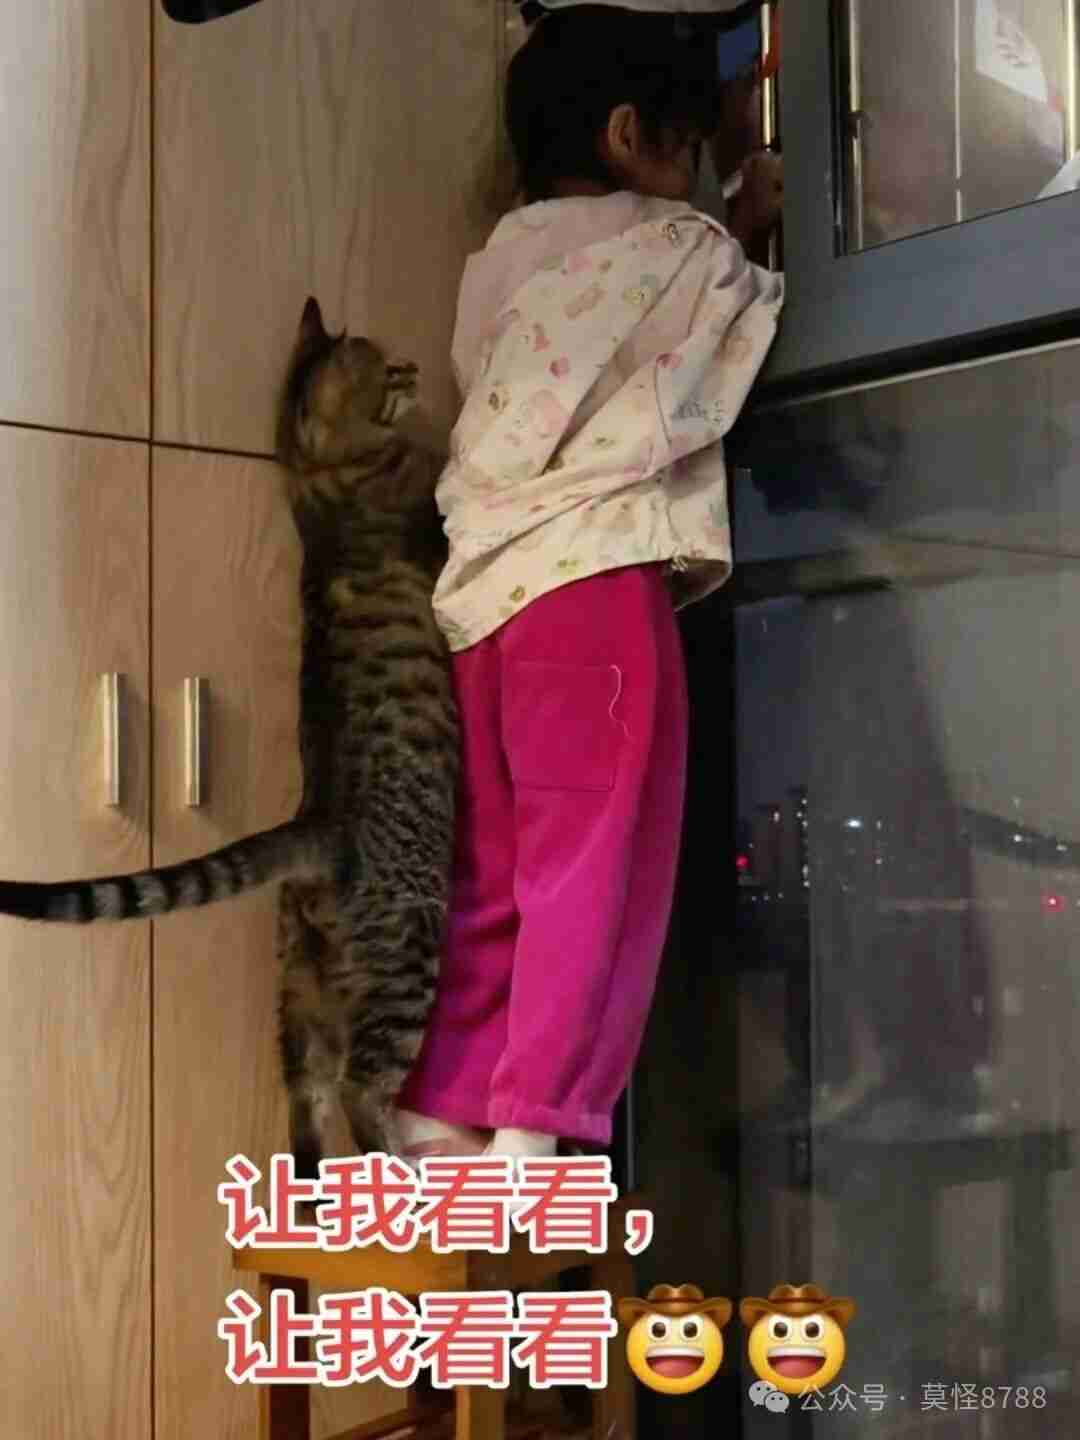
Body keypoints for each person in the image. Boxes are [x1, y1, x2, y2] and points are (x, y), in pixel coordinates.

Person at [394, 3, 784, 1164]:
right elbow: (738, 318)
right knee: (598, 863)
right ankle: (539, 1122)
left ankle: (441, 1106)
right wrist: (749, 206)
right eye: (690, 146)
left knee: (492, 867)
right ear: (628, 135)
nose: (698, 173)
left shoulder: (498, 262)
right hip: (596, 589)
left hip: (480, 599)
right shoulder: (681, 247)